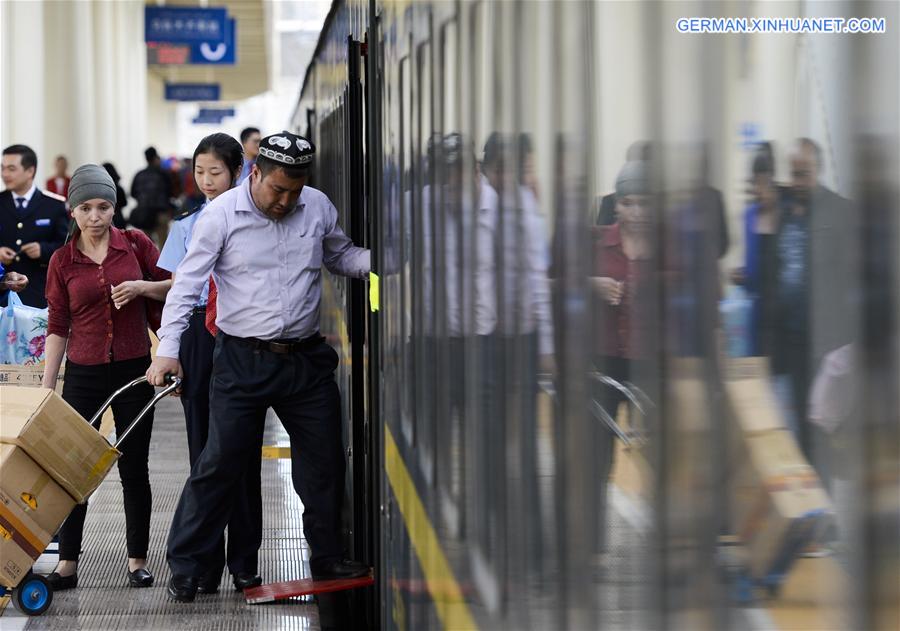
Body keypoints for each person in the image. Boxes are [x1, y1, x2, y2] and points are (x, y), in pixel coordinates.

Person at [146, 131, 371, 603]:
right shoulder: (222, 215)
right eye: (277, 190)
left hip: (305, 360)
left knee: (324, 461)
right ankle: (186, 565)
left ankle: (327, 555)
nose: (285, 201)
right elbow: (187, 285)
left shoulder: (317, 206)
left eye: (294, 191)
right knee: (219, 462)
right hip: (242, 360)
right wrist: (167, 349)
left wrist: (384, 263)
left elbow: (340, 255)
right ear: (256, 174)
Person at [41, 164, 172, 591]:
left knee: (134, 467)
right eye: (86, 208)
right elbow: (58, 324)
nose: (96, 216)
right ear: (72, 212)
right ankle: (67, 562)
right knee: (75, 468)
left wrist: (140, 287)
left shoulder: (135, 245)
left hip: (135, 368)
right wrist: (47, 389)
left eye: (103, 207)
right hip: (83, 373)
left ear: (114, 208)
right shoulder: (63, 260)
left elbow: (176, 284)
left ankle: (137, 559)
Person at [156, 133, 262, 594]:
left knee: (240, 453)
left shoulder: (257, 218)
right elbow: (179, 289)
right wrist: (170, 349)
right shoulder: (186, 225)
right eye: (199, 172)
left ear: (237, 170)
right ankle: (201, 564)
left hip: (241, 336)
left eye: (214, 172)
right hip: (201, 334)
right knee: (203, 452)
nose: (206, 181)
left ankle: (243, 560)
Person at [771, 138, 855, 483]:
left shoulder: (840, 212)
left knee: (823, 434)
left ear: (818, 170)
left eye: (804, 173)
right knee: (796, 432)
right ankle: (809, 515)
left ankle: (826, 519)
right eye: (793, 173)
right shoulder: (786, 212)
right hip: (790, 340)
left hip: (827, 344)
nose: (797, 181)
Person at [590, 160, 656, 555]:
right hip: (607, 360)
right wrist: (593, 285)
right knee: (599, 455)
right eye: (629, 203)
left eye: (643, 203)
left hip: (648, 363)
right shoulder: (599, 244)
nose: (636, 212)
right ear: (617, 206)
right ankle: (594, 544)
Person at [0, 144, 69, 307]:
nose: (4, 174)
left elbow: (66, 247)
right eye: (2, 168)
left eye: (11, 169)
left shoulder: (53, 205)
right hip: (3, 294)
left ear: (30, 171)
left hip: (39, 291)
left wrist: (43, 249)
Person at [130, 146, 172, 237]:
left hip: (145, 214)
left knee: (146, 245)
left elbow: (133, 193)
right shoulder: (163, 174)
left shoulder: (139, 174)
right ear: (155, 158)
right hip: (161, 214)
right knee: (163, 245)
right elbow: (171, 192)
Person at [102, 162, 129, 229]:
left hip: (105, 219)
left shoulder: (100, 190)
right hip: (119, 218)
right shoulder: (119, 188)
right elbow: (124, 203)